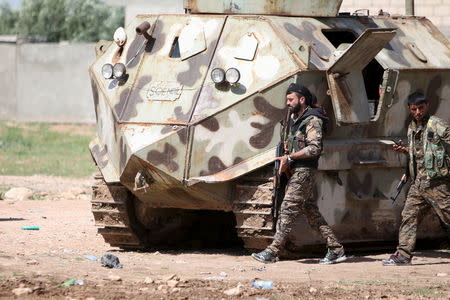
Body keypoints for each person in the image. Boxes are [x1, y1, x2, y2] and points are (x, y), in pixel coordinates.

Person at [251, 83, 347, 264]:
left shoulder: (312, 120)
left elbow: (315, 148)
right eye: (287, 99)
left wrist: (290, 158)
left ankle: (273, 251)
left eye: (290, 99)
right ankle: (336, 249)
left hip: (304, 171)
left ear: (302, 100)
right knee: (311, 212)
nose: (287, 103)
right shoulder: (297, 120)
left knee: (287, 209)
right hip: (297, 171)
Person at [383, 92, 450, 266]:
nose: (418, 112)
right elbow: (420, 152)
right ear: (409, 109)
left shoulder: (437, 124)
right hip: (418, 182)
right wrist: (405, 151)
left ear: (427, 106)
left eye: (421, 108)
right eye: (414, 109)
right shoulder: (412, 127)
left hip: (437, 183)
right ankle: (403, 254)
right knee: (408, 216)